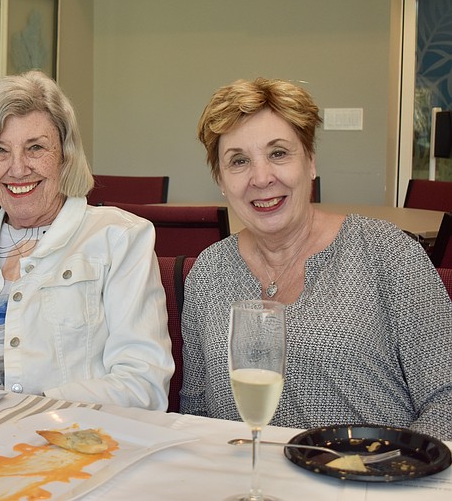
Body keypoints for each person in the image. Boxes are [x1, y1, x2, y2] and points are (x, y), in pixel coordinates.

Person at [181, 77, 452, 439]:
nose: (261, 177)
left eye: (278, 153)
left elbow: (446, 398)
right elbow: (196, 411)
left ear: (310, 162)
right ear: (220, 178)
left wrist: (392, 470)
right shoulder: (208, 273)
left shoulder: (386, 251)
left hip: (374, 482)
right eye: (239, 161)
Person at [0, 70, 173, 410]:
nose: (17, 169)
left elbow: (142, 387)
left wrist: (24, 413)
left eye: (35, 148)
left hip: (58, 442)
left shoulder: (118, 239)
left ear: (66, 155)